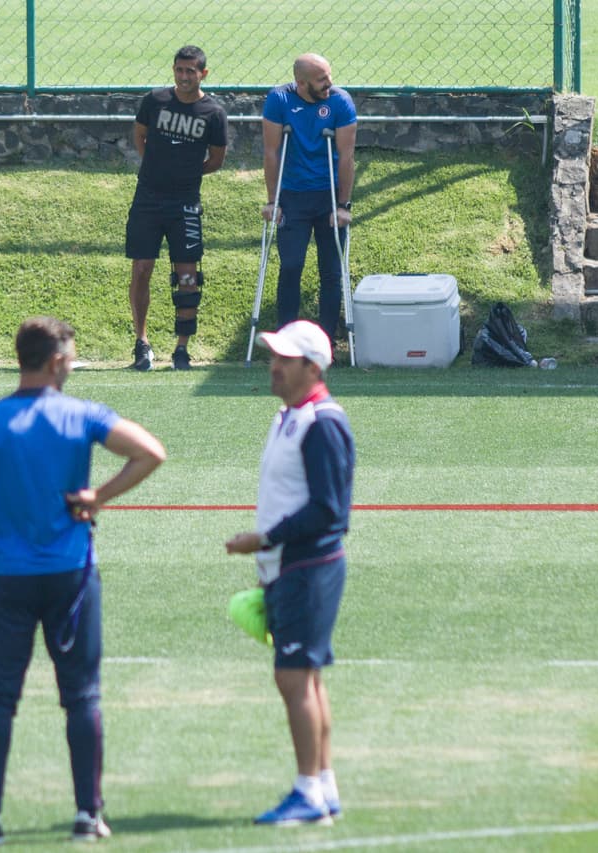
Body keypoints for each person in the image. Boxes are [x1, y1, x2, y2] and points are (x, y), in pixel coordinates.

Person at [0, 316, 167, 844]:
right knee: (81, 696)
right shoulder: (82, 416)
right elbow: (151, 452)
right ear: (56, 362)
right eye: (72, 357)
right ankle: (88, 814)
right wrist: (97, 496)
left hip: (5, 578)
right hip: (71, 578)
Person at [224, 319, 355, 827]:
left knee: (293, 677)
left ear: (311, 367)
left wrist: (263, 541)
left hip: (310, 565)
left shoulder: (323, 422)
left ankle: (307, 794)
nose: (273, 367)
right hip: (290, 566)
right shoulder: (289, 417)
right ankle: (323, 786)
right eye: (273, 357)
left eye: (284, 359)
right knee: (308, 679)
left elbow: (330, 511)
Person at [125, 45, 229, 371]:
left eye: (191, 71)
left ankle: (181, 348)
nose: (184, 77)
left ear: (203, 74)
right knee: (141, 269)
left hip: (185, 202)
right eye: (179, 70)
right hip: (147, 198)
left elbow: (216, 159)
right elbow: (140, 136)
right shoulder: (154, 101)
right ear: (173, 70)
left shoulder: (213, 113)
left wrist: (185, 173)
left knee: (187, 275)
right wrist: (158, 167)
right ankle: (142, 344)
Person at [261, 54, 357, 346]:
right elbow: (271, 152)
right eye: (321, 80)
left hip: (328, 195)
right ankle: (286, 341)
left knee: (331, 270)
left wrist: (343, 205)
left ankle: (325, 342)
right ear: (301, 83)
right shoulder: (279, 99)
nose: (330, 84)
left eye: (329, 76)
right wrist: (272, 200)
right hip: (292, 195)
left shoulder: (341, 102)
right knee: (291, 264)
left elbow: (347, 157)